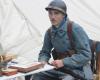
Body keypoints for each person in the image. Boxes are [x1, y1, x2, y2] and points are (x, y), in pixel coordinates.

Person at [33, 0, 93, 80]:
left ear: (63, 15)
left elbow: (86, 55)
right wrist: (42, 61)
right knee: (36, 76)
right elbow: (44, 52)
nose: (52, 17)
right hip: (60, 69)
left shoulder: (75, 28)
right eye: (50, 13)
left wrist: (63, 62)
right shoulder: (49, 32)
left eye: (56, 13)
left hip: (78, 70)